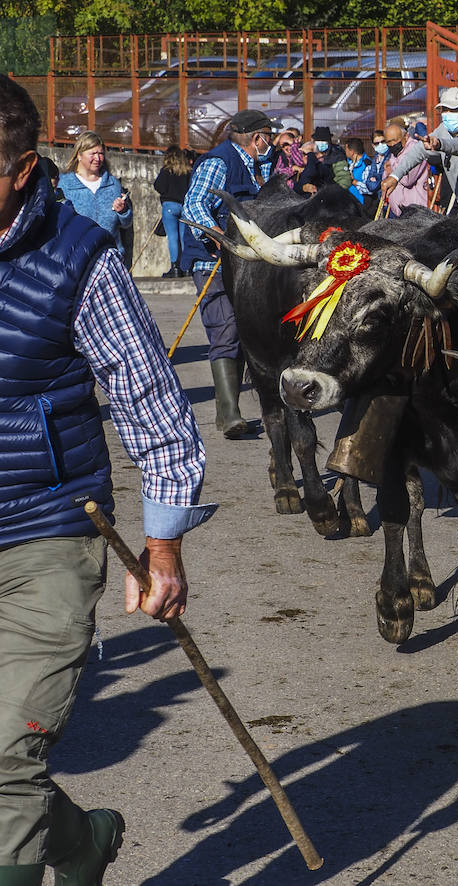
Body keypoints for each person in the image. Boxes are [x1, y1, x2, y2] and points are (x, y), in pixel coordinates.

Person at [0, 72, 215, 886]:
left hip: (45, 533)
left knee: (5, 755)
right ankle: (83, 844)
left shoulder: (79, 260)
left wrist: (162, 548)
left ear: (24, 171)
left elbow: (151, 403)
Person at [180, 108, 276, 438]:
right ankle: (230, 414)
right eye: (268, 136)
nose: (271, 142)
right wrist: (217, 239)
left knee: (243, 334)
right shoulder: (218, 162)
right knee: (225, 329)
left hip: (248, 266)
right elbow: (193, 206)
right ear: (255, 137)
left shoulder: (262, 164)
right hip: (213, 261)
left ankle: (227, 412)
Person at [386, 86, 458, 220]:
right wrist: (395, 176)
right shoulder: (443, 129)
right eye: (444, 110)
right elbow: (419, 150)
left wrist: (440, 144)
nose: (448, 114)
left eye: (453, 110)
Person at [57, 132, 132, 262]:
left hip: (110, 258)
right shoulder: (64, 185)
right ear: (79, 155)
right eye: (93, 154)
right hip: (76, 259)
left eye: (101, 153)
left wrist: (123, 211)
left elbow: (126, 224)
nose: (97, 158)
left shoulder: (113, 184)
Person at [153, 147, 192, 278]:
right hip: (184, 206)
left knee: (173, 238)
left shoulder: (166, 171)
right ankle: (186, 268)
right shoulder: (188, 171)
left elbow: (158, 186)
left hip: (170, 206)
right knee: (183, 237)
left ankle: (175, 268)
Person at [380, 123, 431, 217]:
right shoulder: (395, 153)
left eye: (394, 140)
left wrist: (392, 166)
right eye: (388, 142)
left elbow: (407, 179)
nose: (392, 145)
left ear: (406, 136)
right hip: (399, 212)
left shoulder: (415, 150)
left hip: (416, 212)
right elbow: (386, 176)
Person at [295, 126, 349, 196]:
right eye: (318, 141)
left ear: (329, 142)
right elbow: (301, 181)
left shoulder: (337, 156)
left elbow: (344, 180)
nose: (321, 143)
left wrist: (332, 193)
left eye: (324, 141)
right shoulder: (309, 156)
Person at [343, 137, 371, 205]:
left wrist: (354, 181)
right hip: (348, 202)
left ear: (352, 151)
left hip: (361, 204)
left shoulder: (367, 164)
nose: (345, 152)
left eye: (346, 149)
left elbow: (370, 189)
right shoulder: (349, 163)